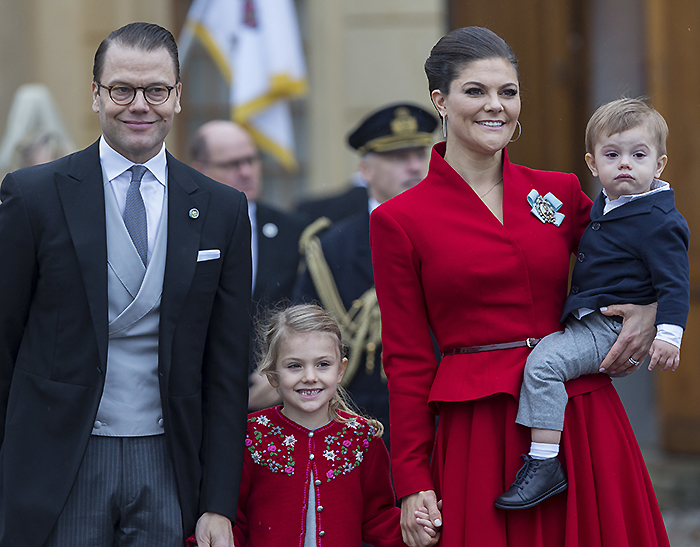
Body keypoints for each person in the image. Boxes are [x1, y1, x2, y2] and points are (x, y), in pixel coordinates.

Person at [370, 26, 670, 547]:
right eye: (476, 91)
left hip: (580, 414)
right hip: (479, 429)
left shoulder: (558, 189)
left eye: (508, 92)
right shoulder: (400, 219)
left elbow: (645, 243)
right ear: (439, 101)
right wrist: (413, 479)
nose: (496, 106)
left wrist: (649, 306)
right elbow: (408, 359)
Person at [0, 22, 251, 547]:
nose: (140, 105)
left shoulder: (222, 208)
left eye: (156, 90)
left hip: (169, 458)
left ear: (178, 97)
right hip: (59, 457)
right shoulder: (33, 196)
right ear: (96, 95)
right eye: (122, 90)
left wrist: (218, 503)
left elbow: (227, 368)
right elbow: (5, 339)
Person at [495, 98, 690, 510]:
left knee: (544, 365)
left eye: (638, 155)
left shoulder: (660, 220)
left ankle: (544, 463)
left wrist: (668, 334)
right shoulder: (603, 203)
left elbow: (674, 284)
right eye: (612, 154)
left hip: (610, 325)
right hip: (586, 319)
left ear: (659, 164)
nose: (625, 164)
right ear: (592, 162)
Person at [188, 304, 430, 546]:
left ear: (340, 370)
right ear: (272, 374)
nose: (310, 376)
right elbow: (233, 523)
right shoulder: (251, 435)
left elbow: (377, 518)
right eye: (295, 366)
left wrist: (421, 528)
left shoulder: (362, 438)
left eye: (323, 364)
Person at [293, 103, 437, 444]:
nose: (414, 166)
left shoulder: (455, 232)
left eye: (420, 154)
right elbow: (306, 336)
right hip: (358, 423)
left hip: (439, 415)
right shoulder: (331, 247)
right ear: (366, 170)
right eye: (398, 157)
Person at [190, 120, 309, 410]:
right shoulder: (181, 229)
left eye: (251, 160)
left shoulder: (294, 231)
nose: (246, 172)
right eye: (232, 164)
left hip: (273, 397)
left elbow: (303, 309)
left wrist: (281, 372)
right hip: (199, 396)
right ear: (199, 169)